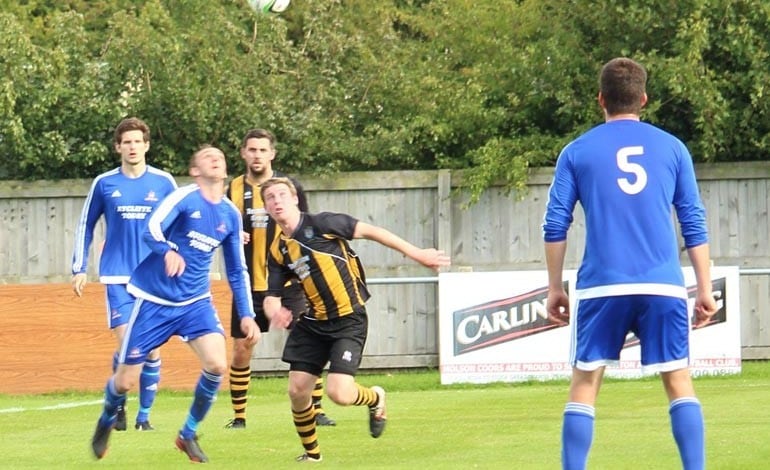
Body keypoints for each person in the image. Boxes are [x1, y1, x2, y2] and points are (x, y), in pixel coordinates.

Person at [541, 57, 718, 470]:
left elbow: (555, 224)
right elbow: (693, 220)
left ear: (600, 99)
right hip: (662, 285)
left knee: (584, 383)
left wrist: (554, 288)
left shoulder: (576, 151)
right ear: (643, 99)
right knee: (678, 381)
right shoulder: (673, 148)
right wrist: (705, 288)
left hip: (603, 286)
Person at [260, 177, 451, 462]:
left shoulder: (323, 224)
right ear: (265, 207)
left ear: (295, 199)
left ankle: (375, 398)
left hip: (349, 319)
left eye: (281, 195)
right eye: (270, 198)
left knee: (340, 394)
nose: (277, 201)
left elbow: (373, 231)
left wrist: (417, 254)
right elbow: (271, 295)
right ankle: (312, 456)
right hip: (313, 323)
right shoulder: (279, 249)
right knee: (297, 390)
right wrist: (273, 309)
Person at [90, 145, 260, 464]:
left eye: (219, 157)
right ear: (195, 171)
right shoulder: (184, 198)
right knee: (126, 381)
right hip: (154, 301)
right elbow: (150, 230)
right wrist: (168, 250)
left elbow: (237, 269)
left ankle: (188, 434)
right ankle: (106, 418)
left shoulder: (230, 214)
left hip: (195, 302)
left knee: (218, 365)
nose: (216, 158)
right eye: (207, 156)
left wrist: (248, 314)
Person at [71, 117, 177, 431]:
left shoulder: (163, 182)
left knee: (152, 349)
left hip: (153, 279)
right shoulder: (104, 183)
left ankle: (144, 418)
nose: (132, 147)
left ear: (146, 145)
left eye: (137, 141)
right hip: (117, 276)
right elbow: (85, 225)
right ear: (118, 147)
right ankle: (119, 404)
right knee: (128, 345)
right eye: (126, 142)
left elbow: (179, 222)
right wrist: (79, 267)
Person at [225, 129, 335, 429]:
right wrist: (232, 235)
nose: (257, 155)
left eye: (263, 150)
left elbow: (306, 228)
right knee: (242, 348)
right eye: (252, 150)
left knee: (307, 343)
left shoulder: (288, 187)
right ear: (243, 153)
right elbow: (220, 227)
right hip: (247, 285)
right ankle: (239, 417)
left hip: (288, 283)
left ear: (272, 153)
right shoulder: (232, 189)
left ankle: (317, 409)